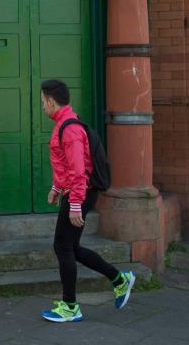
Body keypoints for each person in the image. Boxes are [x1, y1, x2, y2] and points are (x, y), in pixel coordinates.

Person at [40, 78, 135, 323]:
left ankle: (71, 306)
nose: (42, 107)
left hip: (80, 193)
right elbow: (65, 166)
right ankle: (119, 279)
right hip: (77, 191)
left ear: (51, 101)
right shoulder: (64, 123)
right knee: (72, 248)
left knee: (62, 247)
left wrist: (74, 204)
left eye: (43, 102)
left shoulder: (69, 129)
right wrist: (55, 187)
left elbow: (78, 170)